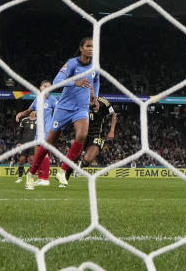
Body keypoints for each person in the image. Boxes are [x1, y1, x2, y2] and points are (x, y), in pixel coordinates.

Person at [25, 39, 99, 190]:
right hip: (64, 108)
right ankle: (31, 173)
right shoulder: (72, 63)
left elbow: (96, 80)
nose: (91, 49)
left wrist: (95, 97)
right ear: (81, 48)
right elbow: (57, 81)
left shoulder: (95, 66)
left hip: (81, 108)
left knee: (82, 135)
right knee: (49, 143)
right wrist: (74, 82)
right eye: (88, 46)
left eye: (93, 46)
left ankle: (63, 170)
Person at [16, 80, 55, 186]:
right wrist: (21, 113)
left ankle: (45, 179)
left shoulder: (52, 100)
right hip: (39, 131)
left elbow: (59, 112)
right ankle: (40, 177)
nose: (47, 88)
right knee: (38, 154)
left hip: (47, 131)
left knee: (44, 153)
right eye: (45, 86)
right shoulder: (37, 100)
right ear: (40, 88)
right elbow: (29, 110)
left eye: (49, 87)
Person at [80, 96, 117, 168]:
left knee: (88, 158)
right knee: (75, 155)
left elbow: (114, 115)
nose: (91, 91)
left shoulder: (104, 102)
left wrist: (112, 131)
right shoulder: (80, 99)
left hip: (97, 134)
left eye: (92, 89)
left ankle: (81, 166)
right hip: (82, 133)